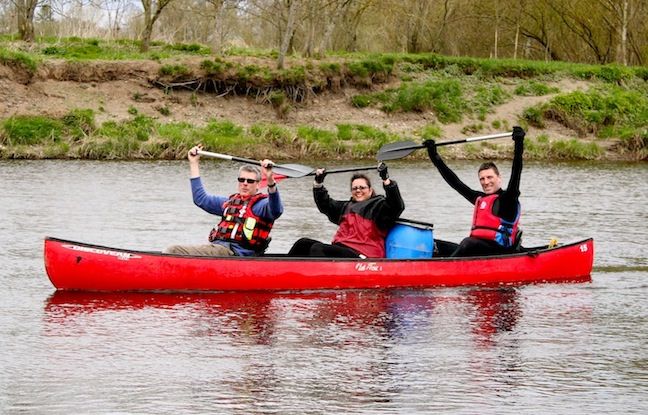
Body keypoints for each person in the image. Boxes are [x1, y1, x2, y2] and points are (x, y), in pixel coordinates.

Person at [423, 126, 526, 257]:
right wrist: (434, 155)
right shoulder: (480, 198)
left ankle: (442, 270)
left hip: (500, 253)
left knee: (468, 243)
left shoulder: (508, 199)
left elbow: (516, 171)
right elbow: (455, 183)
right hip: (479, 249)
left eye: (489, 177)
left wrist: (519, 143)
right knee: (435, 245)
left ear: (499, 178)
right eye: (482, 179)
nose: (486, 182)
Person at [164, 144, 283, 256]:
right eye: (241, 180)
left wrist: (270, 181)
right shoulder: (228, 203)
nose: (245, 184)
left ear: (258, 185)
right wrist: (194, 163)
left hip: (235, 253)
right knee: (175, 250)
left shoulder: (260, 205)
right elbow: (200, 199)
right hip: (219, 248)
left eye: (250, 181)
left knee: (173, 250)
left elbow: (276, 210)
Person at [288, 162, 404, 258]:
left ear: (370, 190)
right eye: (354, 188)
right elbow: (325, 204)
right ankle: (283, 272)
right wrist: (318, 183)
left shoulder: (379, 207)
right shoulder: (345, 207)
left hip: (363, 256)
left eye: (362, 188)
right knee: (303, 243)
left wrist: (386, 179)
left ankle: (314, 279)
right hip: (342, 250)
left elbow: (397, 206)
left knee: (317, 249)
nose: (358, 190)